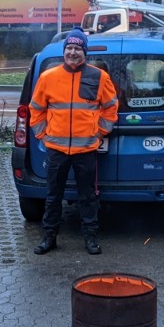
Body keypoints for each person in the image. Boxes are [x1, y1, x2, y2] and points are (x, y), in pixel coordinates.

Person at [29, 27, 118, 255]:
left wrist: (98, 134)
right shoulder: (48, 77)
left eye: (77, 48)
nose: (72, 52)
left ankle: (90, 239)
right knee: (53, 197)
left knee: (87, 197)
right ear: (64, 50)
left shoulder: (99, 77)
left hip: (86, 150)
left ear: (84, 51)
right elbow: (36, 110)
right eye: (69, 48)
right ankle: (49, 238)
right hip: (56, 150)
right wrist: (43, 135)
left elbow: (110, 109)